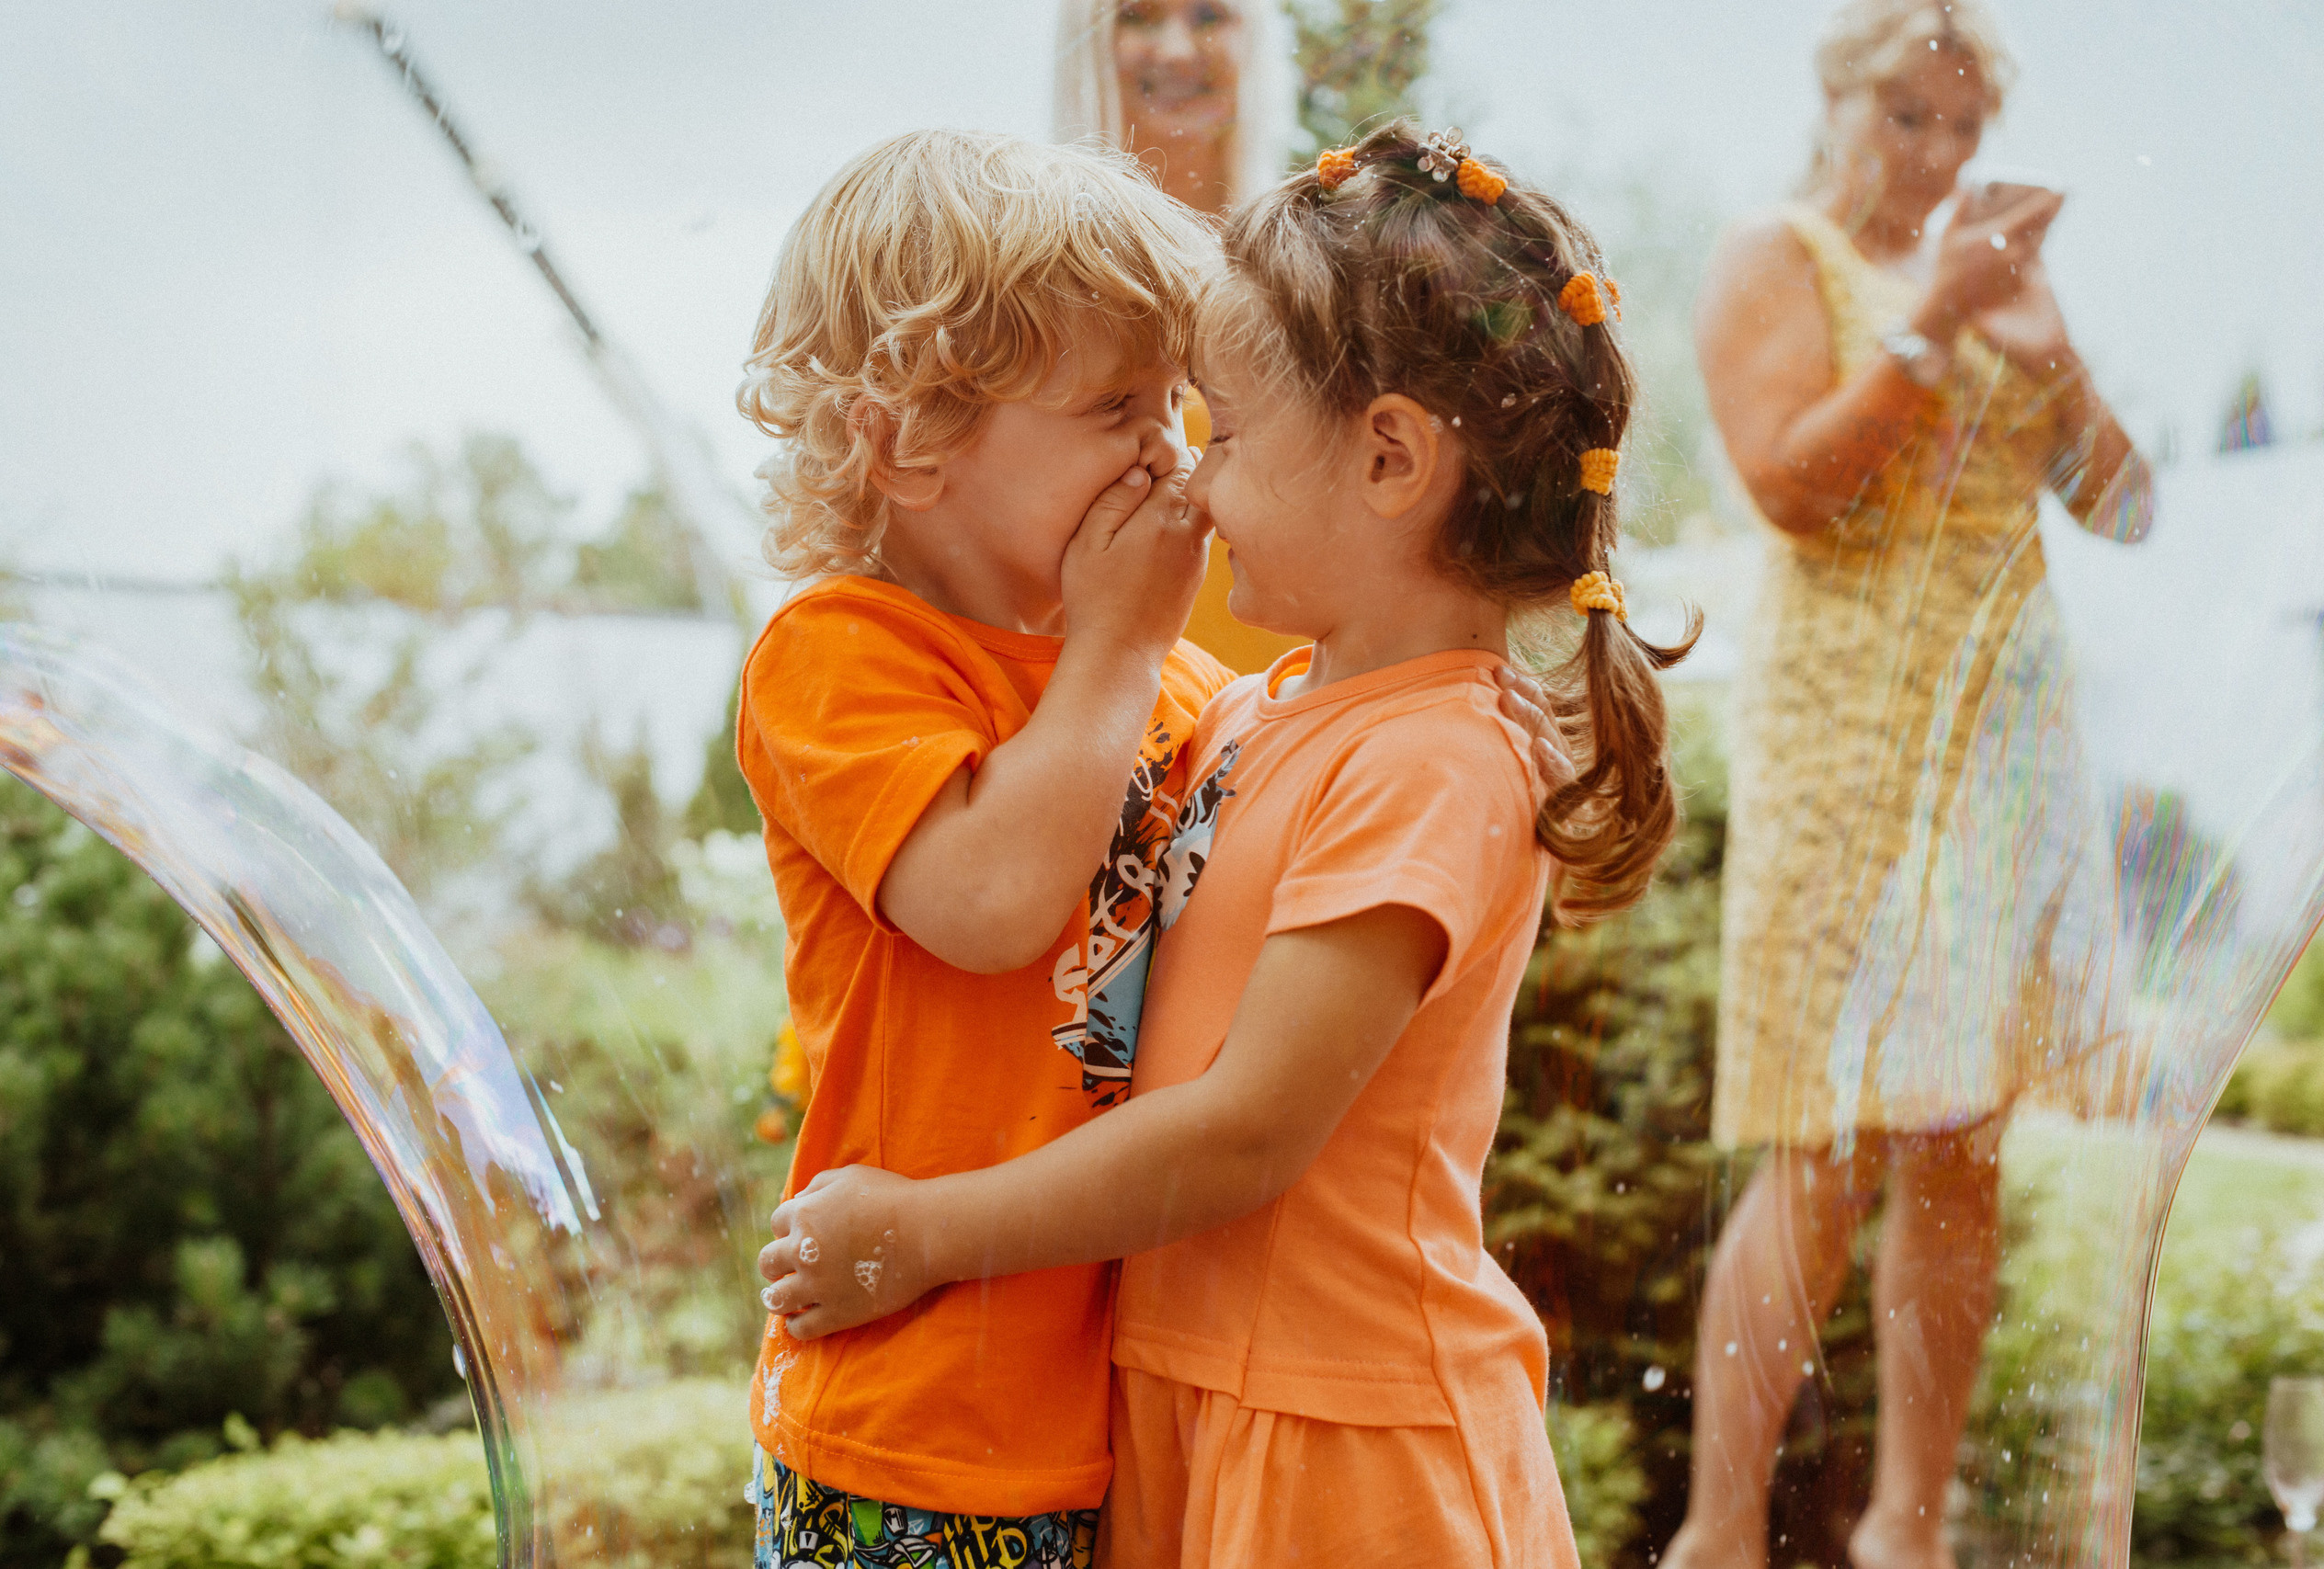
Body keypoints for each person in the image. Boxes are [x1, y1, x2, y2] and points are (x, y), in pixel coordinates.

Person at [757, 121, 1692, 1568]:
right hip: (950, 1411)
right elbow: (998, 897)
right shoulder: (900, 663)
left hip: (1246, 1413)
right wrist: (1123, 647)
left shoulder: (1234, 703)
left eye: (1207, 424)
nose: (1181, 470)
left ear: (1392, 457)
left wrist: (1133, 649)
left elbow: (1249, 1108)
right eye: (1122, 408)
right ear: (906, 440)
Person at [1670, 5, 2152, 1568]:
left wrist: (2054, 354)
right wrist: (1933, 318)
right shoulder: (1777, 252)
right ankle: (1717, 1535)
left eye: (1961, 126)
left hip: (2005, 741)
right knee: (1825, 1139)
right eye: (1906, 117)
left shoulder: (2009, 291)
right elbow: (1790, 484)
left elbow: (2126, 507)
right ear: (1839, 99)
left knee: (1963, 1145)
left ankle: (1909, 1534)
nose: (1936, 153)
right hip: (1853, 735)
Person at [1054, 0, 1299, 675]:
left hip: (1291, 701)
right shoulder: (1035, 282)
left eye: (1208, 16)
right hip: (1096, 708)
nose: (1174, 50)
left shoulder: (1312, 277)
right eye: (1137, 16)